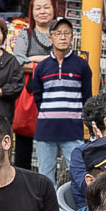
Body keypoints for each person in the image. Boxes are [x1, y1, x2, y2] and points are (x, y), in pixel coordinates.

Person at [26, 16, 91, 184]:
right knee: (45, 177)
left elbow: (87, 97)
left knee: (79, 174)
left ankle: (80, 208)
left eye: (66, 33)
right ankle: (50, 210)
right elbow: (38, 97)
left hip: (73, 129)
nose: (62, 37)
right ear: (51, 38)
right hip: (46, 130)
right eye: (58, 33)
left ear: (72, 36)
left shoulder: (82, 66)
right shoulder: (42, 67)